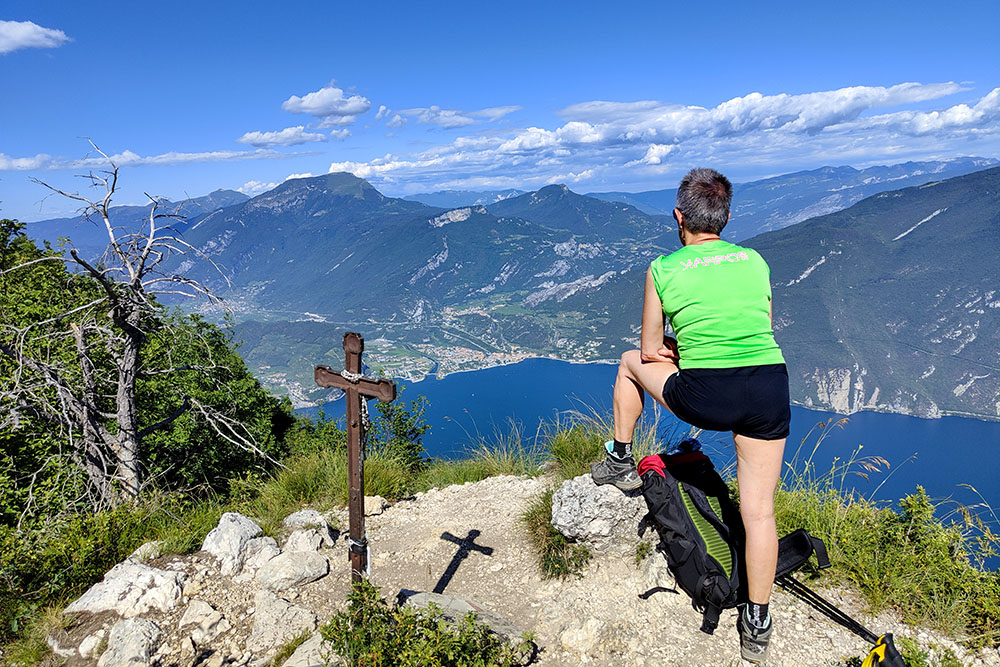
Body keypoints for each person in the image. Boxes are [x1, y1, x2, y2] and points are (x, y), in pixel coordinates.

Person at [590, 167, 789, 663]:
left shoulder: (663, 268)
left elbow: (649, 349)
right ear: (726, 218)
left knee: (628, 363)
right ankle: (757, 623)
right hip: (769, 388)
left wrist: (685, 350)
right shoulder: (755, 260)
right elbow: (760, 328)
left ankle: (619, 458)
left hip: (707, 394)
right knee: (759, 512)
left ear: (679, 217)